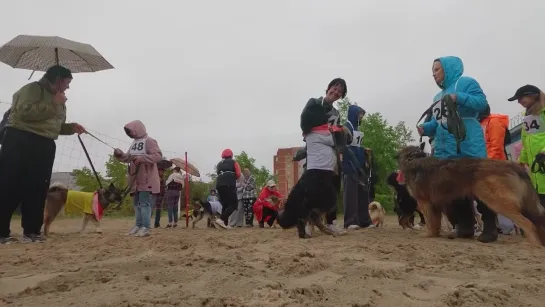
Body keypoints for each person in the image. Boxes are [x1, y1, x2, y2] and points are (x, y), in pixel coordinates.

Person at [0, 65, 85, 244]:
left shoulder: (60, 98)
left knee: (38, 188)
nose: (68, 87)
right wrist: (53, 102)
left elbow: (54, 125)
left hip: (44, 144)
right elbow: (24, 113)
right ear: (58, 79)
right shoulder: (31, 90)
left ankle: (32, 231)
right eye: (67, 82)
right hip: (20, 139)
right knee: (10, 185)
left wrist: (71, 128)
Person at [417, 56, 495, 243]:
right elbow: (436, 123)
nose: (433, 74)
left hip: (468, 142)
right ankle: (465, 226)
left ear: (448, 68)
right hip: (446, 147)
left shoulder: (466, 82)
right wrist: (425, 128)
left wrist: (458, 97)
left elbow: (481, 104)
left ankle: (491, 227)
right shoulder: (437, 97)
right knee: (454, 188)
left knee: (479, 185)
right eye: (433, 71)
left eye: (437, 69)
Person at [278, 101, 347, 238]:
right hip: (319, 173)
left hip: (317, 173)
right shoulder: (320, 134)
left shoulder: (313, 133)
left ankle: (307, 221)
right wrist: (339, 130)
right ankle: (311, 219)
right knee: (328, 199)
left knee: (313, 201)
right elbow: (334, 141)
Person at [300, 78, 348, 236]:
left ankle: (331, 221)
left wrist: (340, 132)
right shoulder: (314, 103)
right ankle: (309, 222)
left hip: (330, 150)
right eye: (334, 89)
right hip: (315, 150)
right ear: (328, 89)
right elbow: (304, 121)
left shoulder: (336, 113)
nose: (335, 92)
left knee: (332, 186)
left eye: (339, 92)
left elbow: (336, 135)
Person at [114, 120, 162, 237]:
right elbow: (129, 158)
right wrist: (120, 155)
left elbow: (158, 156)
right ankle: (138, 225)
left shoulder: (149, 141)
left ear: (137, 129)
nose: (130, 133)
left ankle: (146, 227)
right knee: (136, 204)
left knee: (144, 203)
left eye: (131, 131)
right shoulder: (134, 143)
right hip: (135, 179)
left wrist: (143, 158)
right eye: (128, 132)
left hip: (146, 179)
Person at [511, 84, 545, 208]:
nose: (519, 102)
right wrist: (522, 159)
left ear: (532, 96)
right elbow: (526, 140)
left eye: (521, 98)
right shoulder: (528, 117)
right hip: (538, 168)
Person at [342, 105, 373, 229]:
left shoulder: (356, 128)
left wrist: (363, 152)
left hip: (360, 165)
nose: (362, 117)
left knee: (362, 193)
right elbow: (346, 148)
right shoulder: (346, 127)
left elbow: (356, 146)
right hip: (350, 166)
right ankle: (350, 221)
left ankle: (364, 220)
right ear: (354, 113)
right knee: (351, 194)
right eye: (360, 114)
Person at [214, 148, 242, 229]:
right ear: (231, 155)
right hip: (229, 184)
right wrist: (233, 178)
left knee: (225, 204)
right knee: (234, 204)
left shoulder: (219, 163)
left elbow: (218, 173)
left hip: (219, 185)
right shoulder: (234, 162)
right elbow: (238, 173)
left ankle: (224, 224)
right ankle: (222, 220)